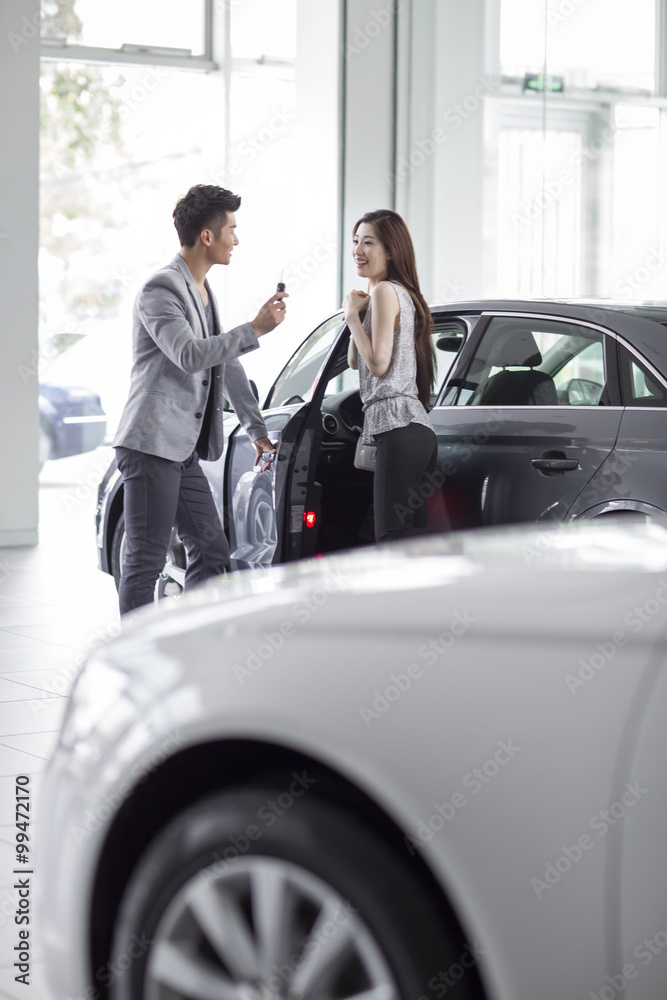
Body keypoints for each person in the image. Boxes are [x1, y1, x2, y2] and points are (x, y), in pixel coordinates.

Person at [112, 184, 287, 615]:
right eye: (231, 228)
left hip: (183, 450)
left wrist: (257, 429)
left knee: (211, 550)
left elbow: (225, 365)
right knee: (146, 562)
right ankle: (135, 663)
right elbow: (189, 355)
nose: (237, 239)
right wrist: (255, 329)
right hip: (151, 444)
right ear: (207, 236)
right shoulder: (161, 289)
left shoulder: (204, 292)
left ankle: (186, 643)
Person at [344, 209, 436, 542]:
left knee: (392, 540)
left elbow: (378, 365)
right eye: (355, 241)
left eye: (368, 242)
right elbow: (357, 361)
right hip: (416, 431)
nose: (358, 251)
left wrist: (351, 316)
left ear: (390, 250)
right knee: (410, 540)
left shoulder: (386, 291)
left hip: (397, 428)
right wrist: (360, 314)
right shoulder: (398, 294)